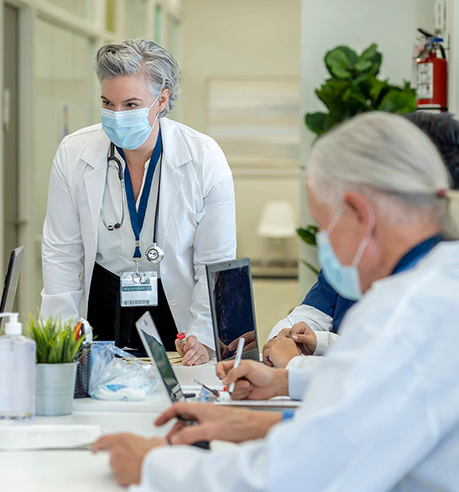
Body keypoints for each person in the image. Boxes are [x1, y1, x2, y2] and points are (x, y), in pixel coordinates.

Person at [92, 112, 459, 490]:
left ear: (360, 215)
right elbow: (373, 406)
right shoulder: (438, 288)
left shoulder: (405, 315)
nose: (325, 243)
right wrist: (280, 387)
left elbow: (301, 475)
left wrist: (154, 468)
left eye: (323, 226)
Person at [41, 38, 236, 365]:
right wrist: (63, 333)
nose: (116, 115)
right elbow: (61, 252)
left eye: (130, 105)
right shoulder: (74, 153)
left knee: (172, 396)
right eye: (107, 103)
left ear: (162, 100)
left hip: (173, 304)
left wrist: (203, 336)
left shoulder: (203, 158)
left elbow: (215, 263)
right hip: (103, 297)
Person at [263, 111, 459, 370]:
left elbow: (366, 382)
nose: (326, 240)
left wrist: (294, 366)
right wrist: (303, 345)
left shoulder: (411, 300)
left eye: (326, 224)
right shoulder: (423, 276)